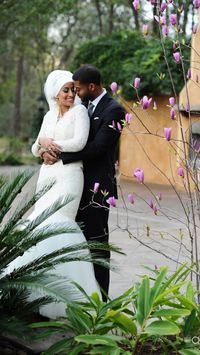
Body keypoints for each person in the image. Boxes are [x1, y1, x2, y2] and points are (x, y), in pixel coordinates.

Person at [11, 69, 101, 319]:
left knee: (60, 224)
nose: (71, 94)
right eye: (66, 90)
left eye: (73, 89)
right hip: (47, 175)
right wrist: (41, 151)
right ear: (55, 93)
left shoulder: (79, 112)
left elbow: (80, 142)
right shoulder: (50, 115)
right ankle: (33, 294)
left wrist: (51, 146)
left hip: (70, 175)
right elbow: (34, 146)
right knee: (40, 223)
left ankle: (69, 297)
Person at [42, 65, 126, 301]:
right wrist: (43, 151)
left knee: (97, 246)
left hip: (97, 189)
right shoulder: (82, 108)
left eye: (78, 89)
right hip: (72, 184)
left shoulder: (114, 110)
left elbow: (99, 148)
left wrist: (60, 155)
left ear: (91, 87)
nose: (75, 93)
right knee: (71, 242)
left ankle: (100, 300)